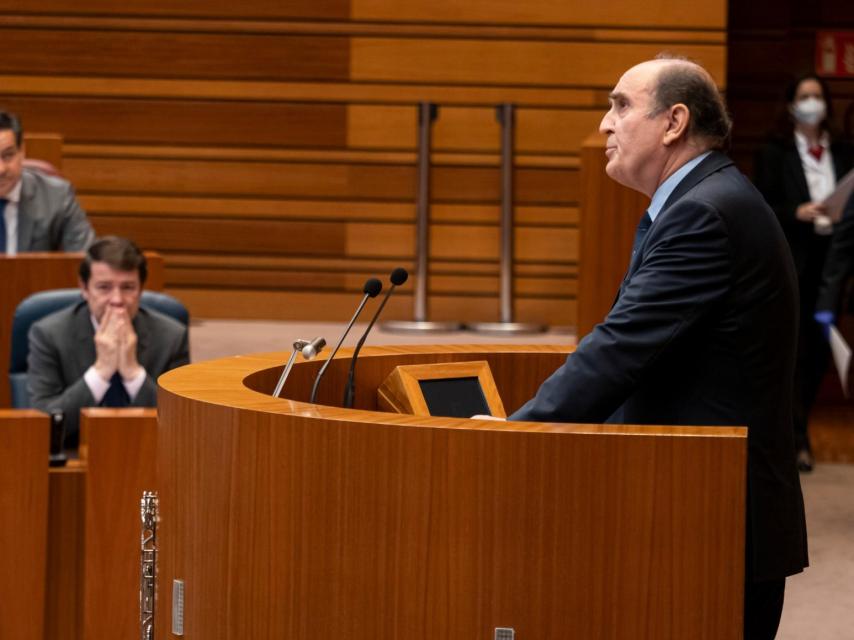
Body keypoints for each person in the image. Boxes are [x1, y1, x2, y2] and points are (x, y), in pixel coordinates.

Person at [509, 55, 807, 640]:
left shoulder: (704, 213)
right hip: (696, 509)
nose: (605, 123)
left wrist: (507, 437)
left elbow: (619, 350)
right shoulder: (704, 199)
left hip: (711, 521)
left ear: (673, 122)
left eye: (621, 105)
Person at [753, 75, 854, 472]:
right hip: (793, 259)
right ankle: (795, 438)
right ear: (791, 104)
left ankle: (800, 427)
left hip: (832, 265)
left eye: (818, 96)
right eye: (804, 96)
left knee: (819, 354)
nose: (813, 102)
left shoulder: (844, 152)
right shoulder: (774, 151)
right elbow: (759, 206)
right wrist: (796, 212)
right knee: (793, 352)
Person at [28, 236, 189, 448]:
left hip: (148, 456)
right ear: (84, 289)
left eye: (128, 287)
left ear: (141, 289)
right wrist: (101, 372)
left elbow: (181, 425)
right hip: (76, 458)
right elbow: (43, 427)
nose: (117, 299)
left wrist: (133, 373)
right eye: (104, 287)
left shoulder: (171, 337)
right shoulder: (48, 334)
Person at [0, 110, 95, 253]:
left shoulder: (57, 197)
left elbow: (84, 260)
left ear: (22, 152)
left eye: (7, 156)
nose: (1, 169)